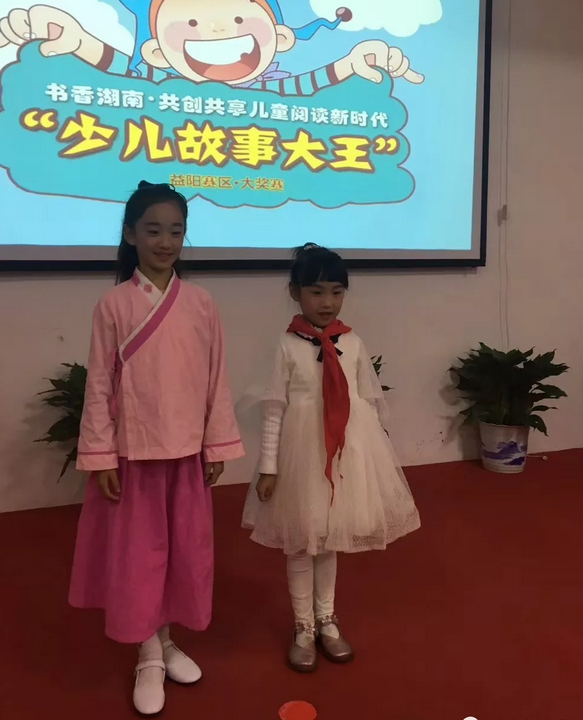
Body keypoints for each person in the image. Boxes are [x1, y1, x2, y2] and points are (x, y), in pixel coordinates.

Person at [69, 181, 244, 715]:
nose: (165, 242)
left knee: (182, 552)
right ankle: (147, 652)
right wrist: (101, 456)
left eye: (175, 231)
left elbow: (216, 378)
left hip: (186, 451)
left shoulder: (201, 303)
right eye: (153, 230)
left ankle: (166, 639)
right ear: (130, 235)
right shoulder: (113, 305)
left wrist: (215, 444)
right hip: (135, 452)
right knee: (139, 557)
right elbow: (99, 384)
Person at [242, 244, 420, 673]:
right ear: (295, 293)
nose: (327, 302)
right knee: (302, 539)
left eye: (337, 292)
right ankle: (303, 625)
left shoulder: (352, 342)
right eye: (317, 291)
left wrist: (373, 456)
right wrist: (268, 467)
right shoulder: (287, 345)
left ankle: (327, 618)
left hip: (345, 453)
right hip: (302, 454)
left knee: (330, 536)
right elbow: (274, 408)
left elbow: (367, 401)